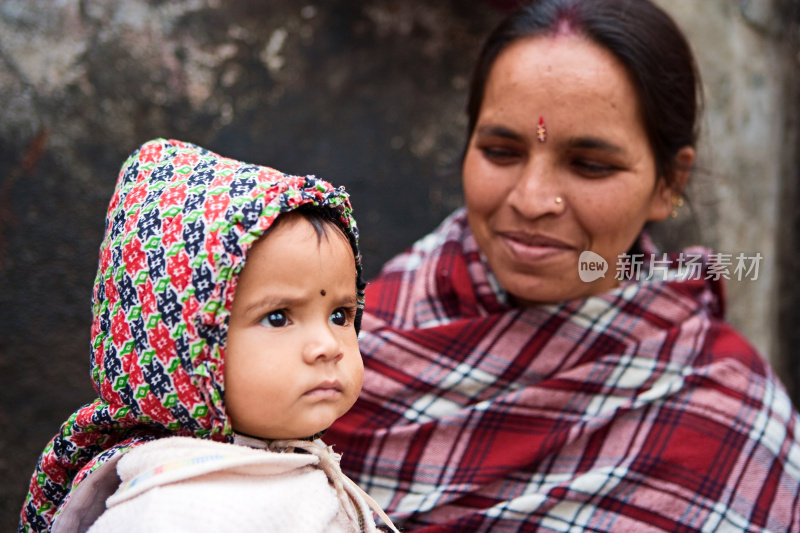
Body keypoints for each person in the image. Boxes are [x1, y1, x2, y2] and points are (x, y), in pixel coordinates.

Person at [326, 1, 800, 531]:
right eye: (502, 151)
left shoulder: (723, 411)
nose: (532, 200)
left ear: (670, 183)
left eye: (590, 165)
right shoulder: (344, 341)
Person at [19, 138, 398, 533]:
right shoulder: (173, 509)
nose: (328, 346)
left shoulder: (284, 467)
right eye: (278, 317)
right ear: (179, 346)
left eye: (340, 314)